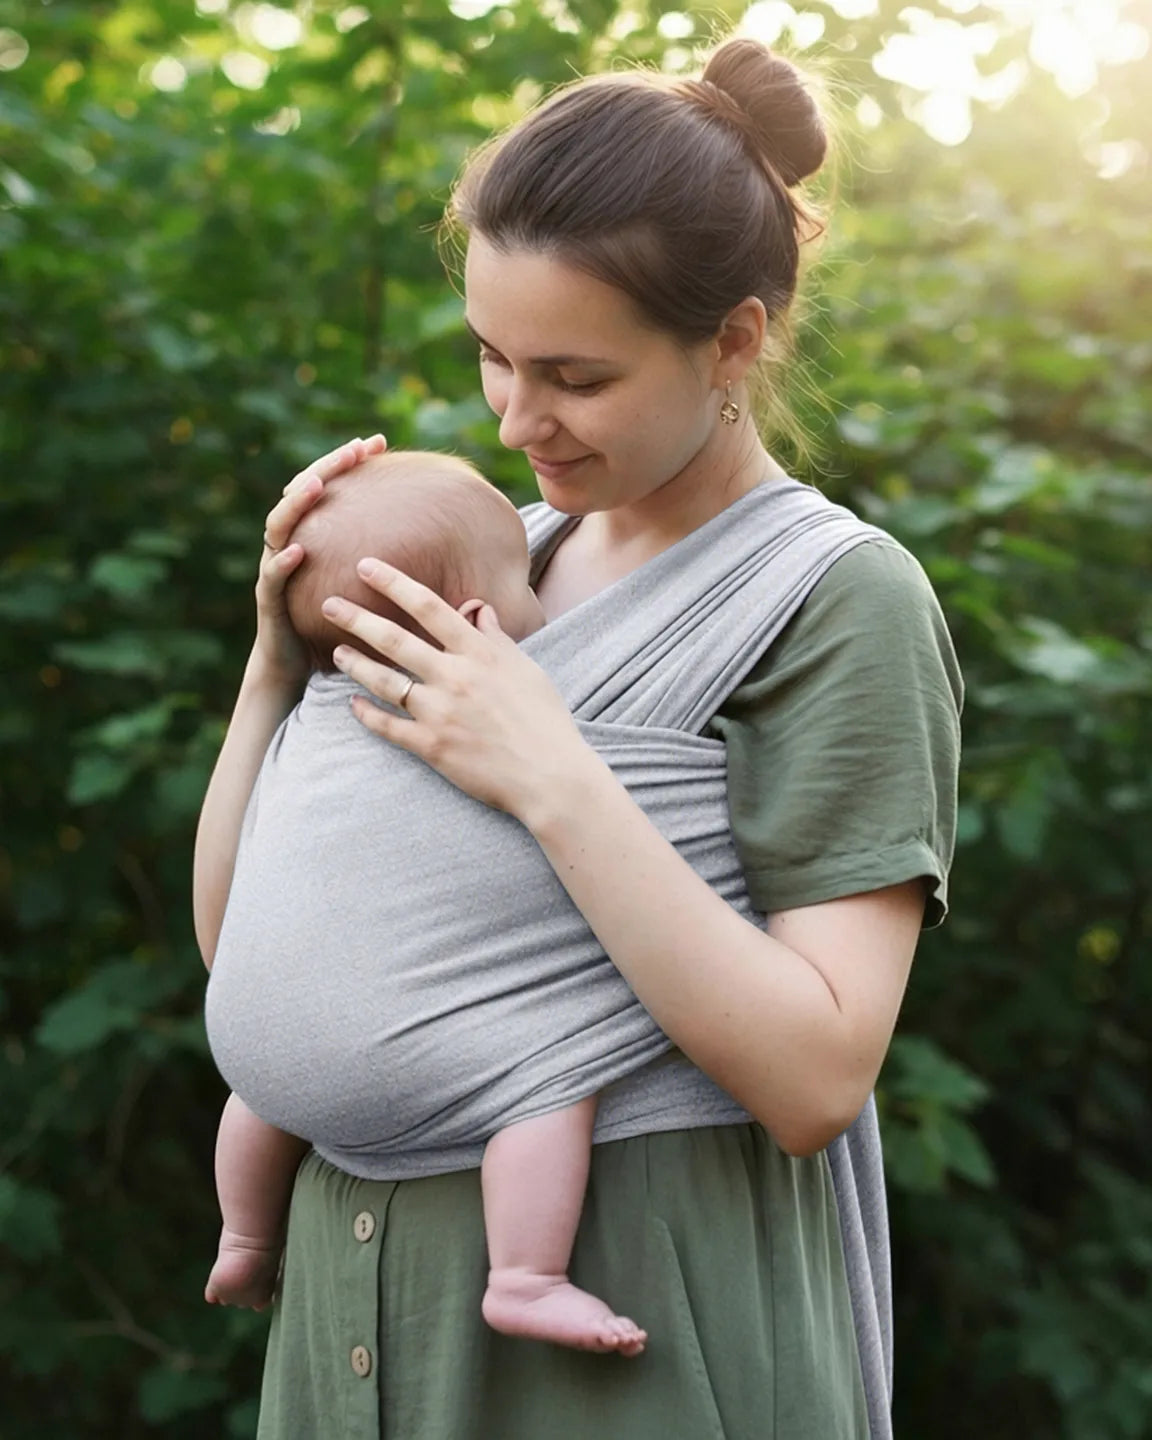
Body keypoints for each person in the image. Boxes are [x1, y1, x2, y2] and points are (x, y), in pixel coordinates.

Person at [194, 34, 962, 1440]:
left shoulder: (835, 601)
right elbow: (256, 944)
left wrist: (551, 774)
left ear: (736, 338)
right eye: (491, 355)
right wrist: (273, 667)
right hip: (351, 1307)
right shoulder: (488, 567)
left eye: (575, 377)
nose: (514, 415)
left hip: (629, 1324)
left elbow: (815, 1076)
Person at [202, 448, 647, 1356]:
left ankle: (245, 1237)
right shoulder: (507, 713)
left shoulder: (313, 715)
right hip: (420, 1059)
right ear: (477, 620)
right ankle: (526, 1278)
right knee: (554, 1080)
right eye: (524, 580)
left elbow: (227, 926)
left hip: (255, 1052)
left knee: (269, 1084)